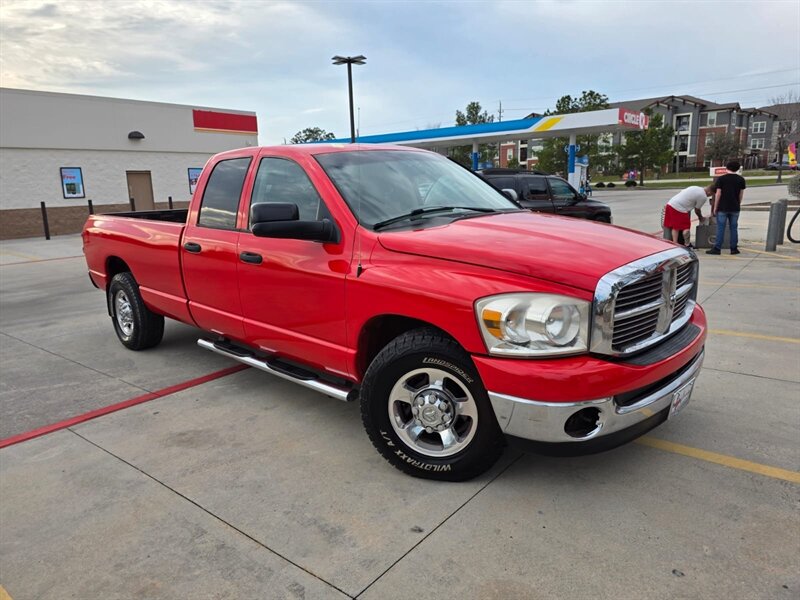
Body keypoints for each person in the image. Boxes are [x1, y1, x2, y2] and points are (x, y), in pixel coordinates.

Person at [706, 160, 746, 255]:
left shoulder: (721, 179)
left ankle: (717, 248)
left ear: (727, 168)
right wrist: (738, 203)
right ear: (737, 169)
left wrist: (715, 207)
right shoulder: (741, 179)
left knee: (721, 228)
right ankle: (733, 248)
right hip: (735, 207)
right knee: (733, 227)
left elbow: (718, 193)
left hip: (723, 207)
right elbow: (741, 194)